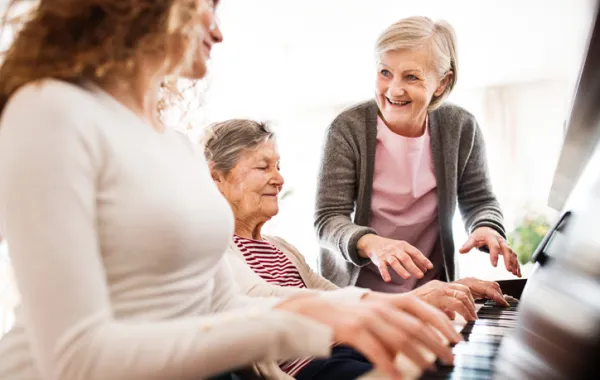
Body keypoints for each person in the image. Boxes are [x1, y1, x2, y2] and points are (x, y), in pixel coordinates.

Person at [0, 2, 458, 380]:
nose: (217, 32)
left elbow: (226, 302)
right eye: (207, 7)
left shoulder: (173, 143)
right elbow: (77, 357)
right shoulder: (50, 111)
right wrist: (326, 318)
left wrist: (365, 307)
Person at [204, 118, 486, 379]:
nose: (279, 179)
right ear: (217, 177)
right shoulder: (214, 247)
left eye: (278, 166)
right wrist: (408, 303)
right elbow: (262, 298)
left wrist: (428, 296)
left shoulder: (282, 249)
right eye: (263, 167)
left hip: (348, 349)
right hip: (313, 366)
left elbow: (340, 301)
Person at [314, 16, 521, 297]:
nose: (394, 89)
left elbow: (480, 200)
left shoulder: (460, 127)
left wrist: (486, 226)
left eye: (411, 76)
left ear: (441, 82)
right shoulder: (346, 129)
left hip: (432, 290)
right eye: (385, 72)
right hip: (360, 296)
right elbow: (328, 219)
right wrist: (373, 244)